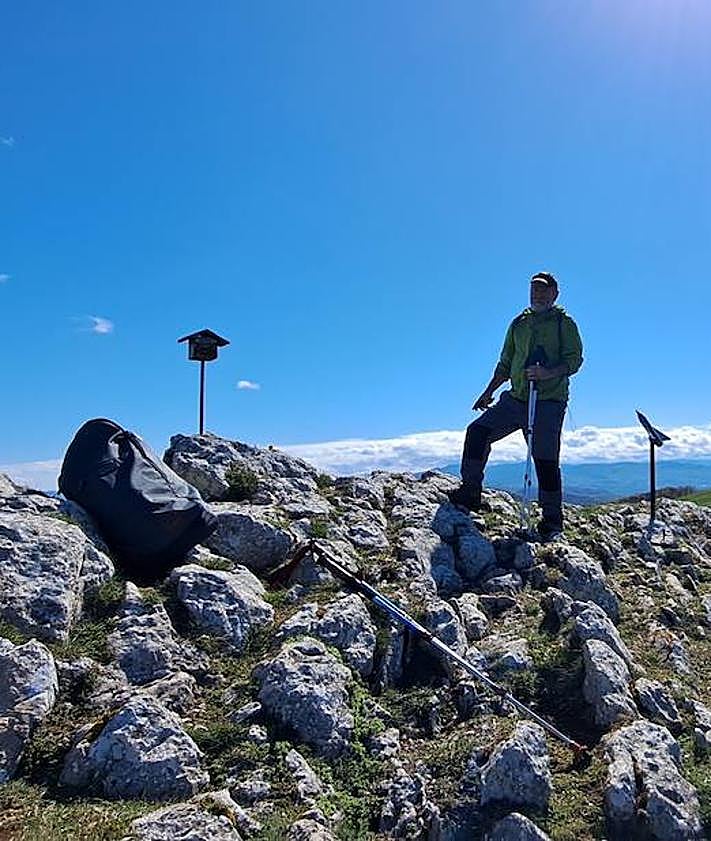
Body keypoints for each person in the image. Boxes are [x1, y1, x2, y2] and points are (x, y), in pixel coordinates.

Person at [447, 272, 583, 539]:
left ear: (555, 294)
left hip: (548, 401)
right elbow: (506, 363)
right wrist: (488, 392)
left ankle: (552, 520)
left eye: (543, 290)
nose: (537, 294)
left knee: (545, 458)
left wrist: (547, 373)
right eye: (534, 290)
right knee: (477, 432)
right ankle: (470, 492)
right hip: (516, 398)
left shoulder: (563, 323)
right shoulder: (519, 323)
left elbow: (575, 360)